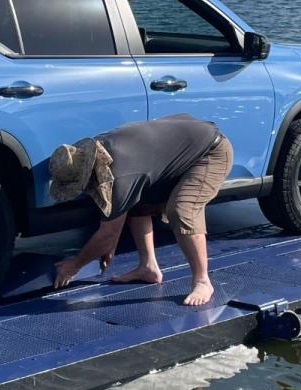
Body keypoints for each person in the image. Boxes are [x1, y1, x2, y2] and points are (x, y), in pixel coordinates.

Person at [48, 114, 233, 306]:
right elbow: (115, 220)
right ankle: (148, 267)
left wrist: (74, 265)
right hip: (180, 145)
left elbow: (107, 234)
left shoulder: (121, 176)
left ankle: (202, 281)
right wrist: (108, 241)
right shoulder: (99, 149)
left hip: (211, 151)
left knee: (182, 208)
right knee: (138, 204)